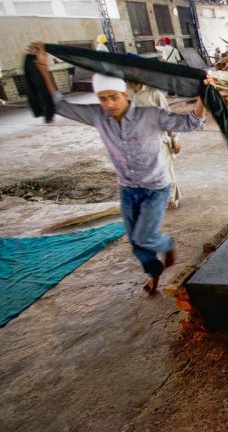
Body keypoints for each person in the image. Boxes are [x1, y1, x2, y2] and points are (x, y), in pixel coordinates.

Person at [27, 42, 209, 295]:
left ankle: (166, 244)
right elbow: (58, 103)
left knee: (144, 237)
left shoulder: (151, 115)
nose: (109, 104)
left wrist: (205, 94)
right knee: (136, 244)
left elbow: (193, 122)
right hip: (127, 188)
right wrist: (43, 66)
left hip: (155, 187)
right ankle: (154, 274)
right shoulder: (97, 116)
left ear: (125, 95)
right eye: (103, 99)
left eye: (113, 97)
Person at [128, 81, 182, 210]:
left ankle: (172, 197)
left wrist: (175, 138)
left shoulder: (154, 94)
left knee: (165, 169)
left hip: (159, 139)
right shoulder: (128, 96)